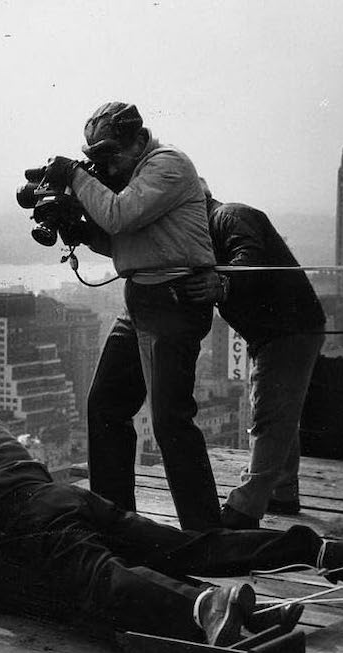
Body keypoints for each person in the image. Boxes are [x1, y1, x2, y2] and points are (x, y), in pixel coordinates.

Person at [0, 381, 343, 646]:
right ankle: (327, 551)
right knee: (185, 545)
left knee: (99, 581)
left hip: (20, 521)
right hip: (61, 496)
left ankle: (205, 608)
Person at [44, 102, 221, 531]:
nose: (106, 165)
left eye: (111, 154)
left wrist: (76, 177)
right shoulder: (135, 178)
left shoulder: (167, 165)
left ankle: (205, 533)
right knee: (105, 405)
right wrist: (80, 230)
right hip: (142, 300)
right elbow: (127, 245)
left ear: (140, 140)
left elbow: (120, 217)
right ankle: (115, 521)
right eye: (97, 157)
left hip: (173, 303)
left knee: (169, 421)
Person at [180, 180, 326, 529]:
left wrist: (224, 283)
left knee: (269, 413)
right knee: (279, 410)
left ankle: (246, 506)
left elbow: (251, 261)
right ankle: (282, 490)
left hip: (287, 331)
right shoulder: (212, 232)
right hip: (280, 331)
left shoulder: (230, 216)